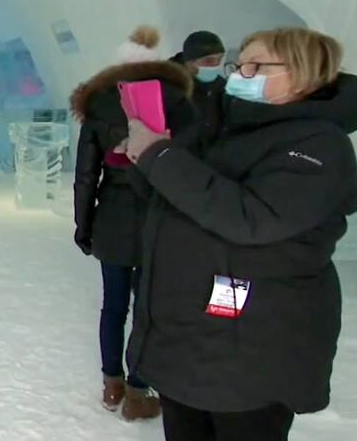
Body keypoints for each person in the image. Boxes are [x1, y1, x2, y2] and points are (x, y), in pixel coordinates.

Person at [123, 27, 356, 441]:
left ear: (302, 74)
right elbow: (174, 199)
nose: (238, 76)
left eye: (256, 66)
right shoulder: (220, 124)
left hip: (253, 354)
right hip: (189, 343)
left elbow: (252, 218)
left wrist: (161, 158)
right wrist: (145, 157)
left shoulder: (320, 144)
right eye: (238, 64)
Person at [69, 25, 188, 422]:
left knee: (113, 305)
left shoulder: (100, 105)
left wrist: (83, 226)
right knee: (148, 306)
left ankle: (111, 382)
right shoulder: (179, 103)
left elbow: (86, 176)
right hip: (161, 215)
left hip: (114, 216)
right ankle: (139, 387)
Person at [171, 30, 228, 127]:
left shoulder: (222, 87)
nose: (216, 65)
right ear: (189, 62)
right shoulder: (169, 88)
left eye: (219, 59)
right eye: (208, 61)